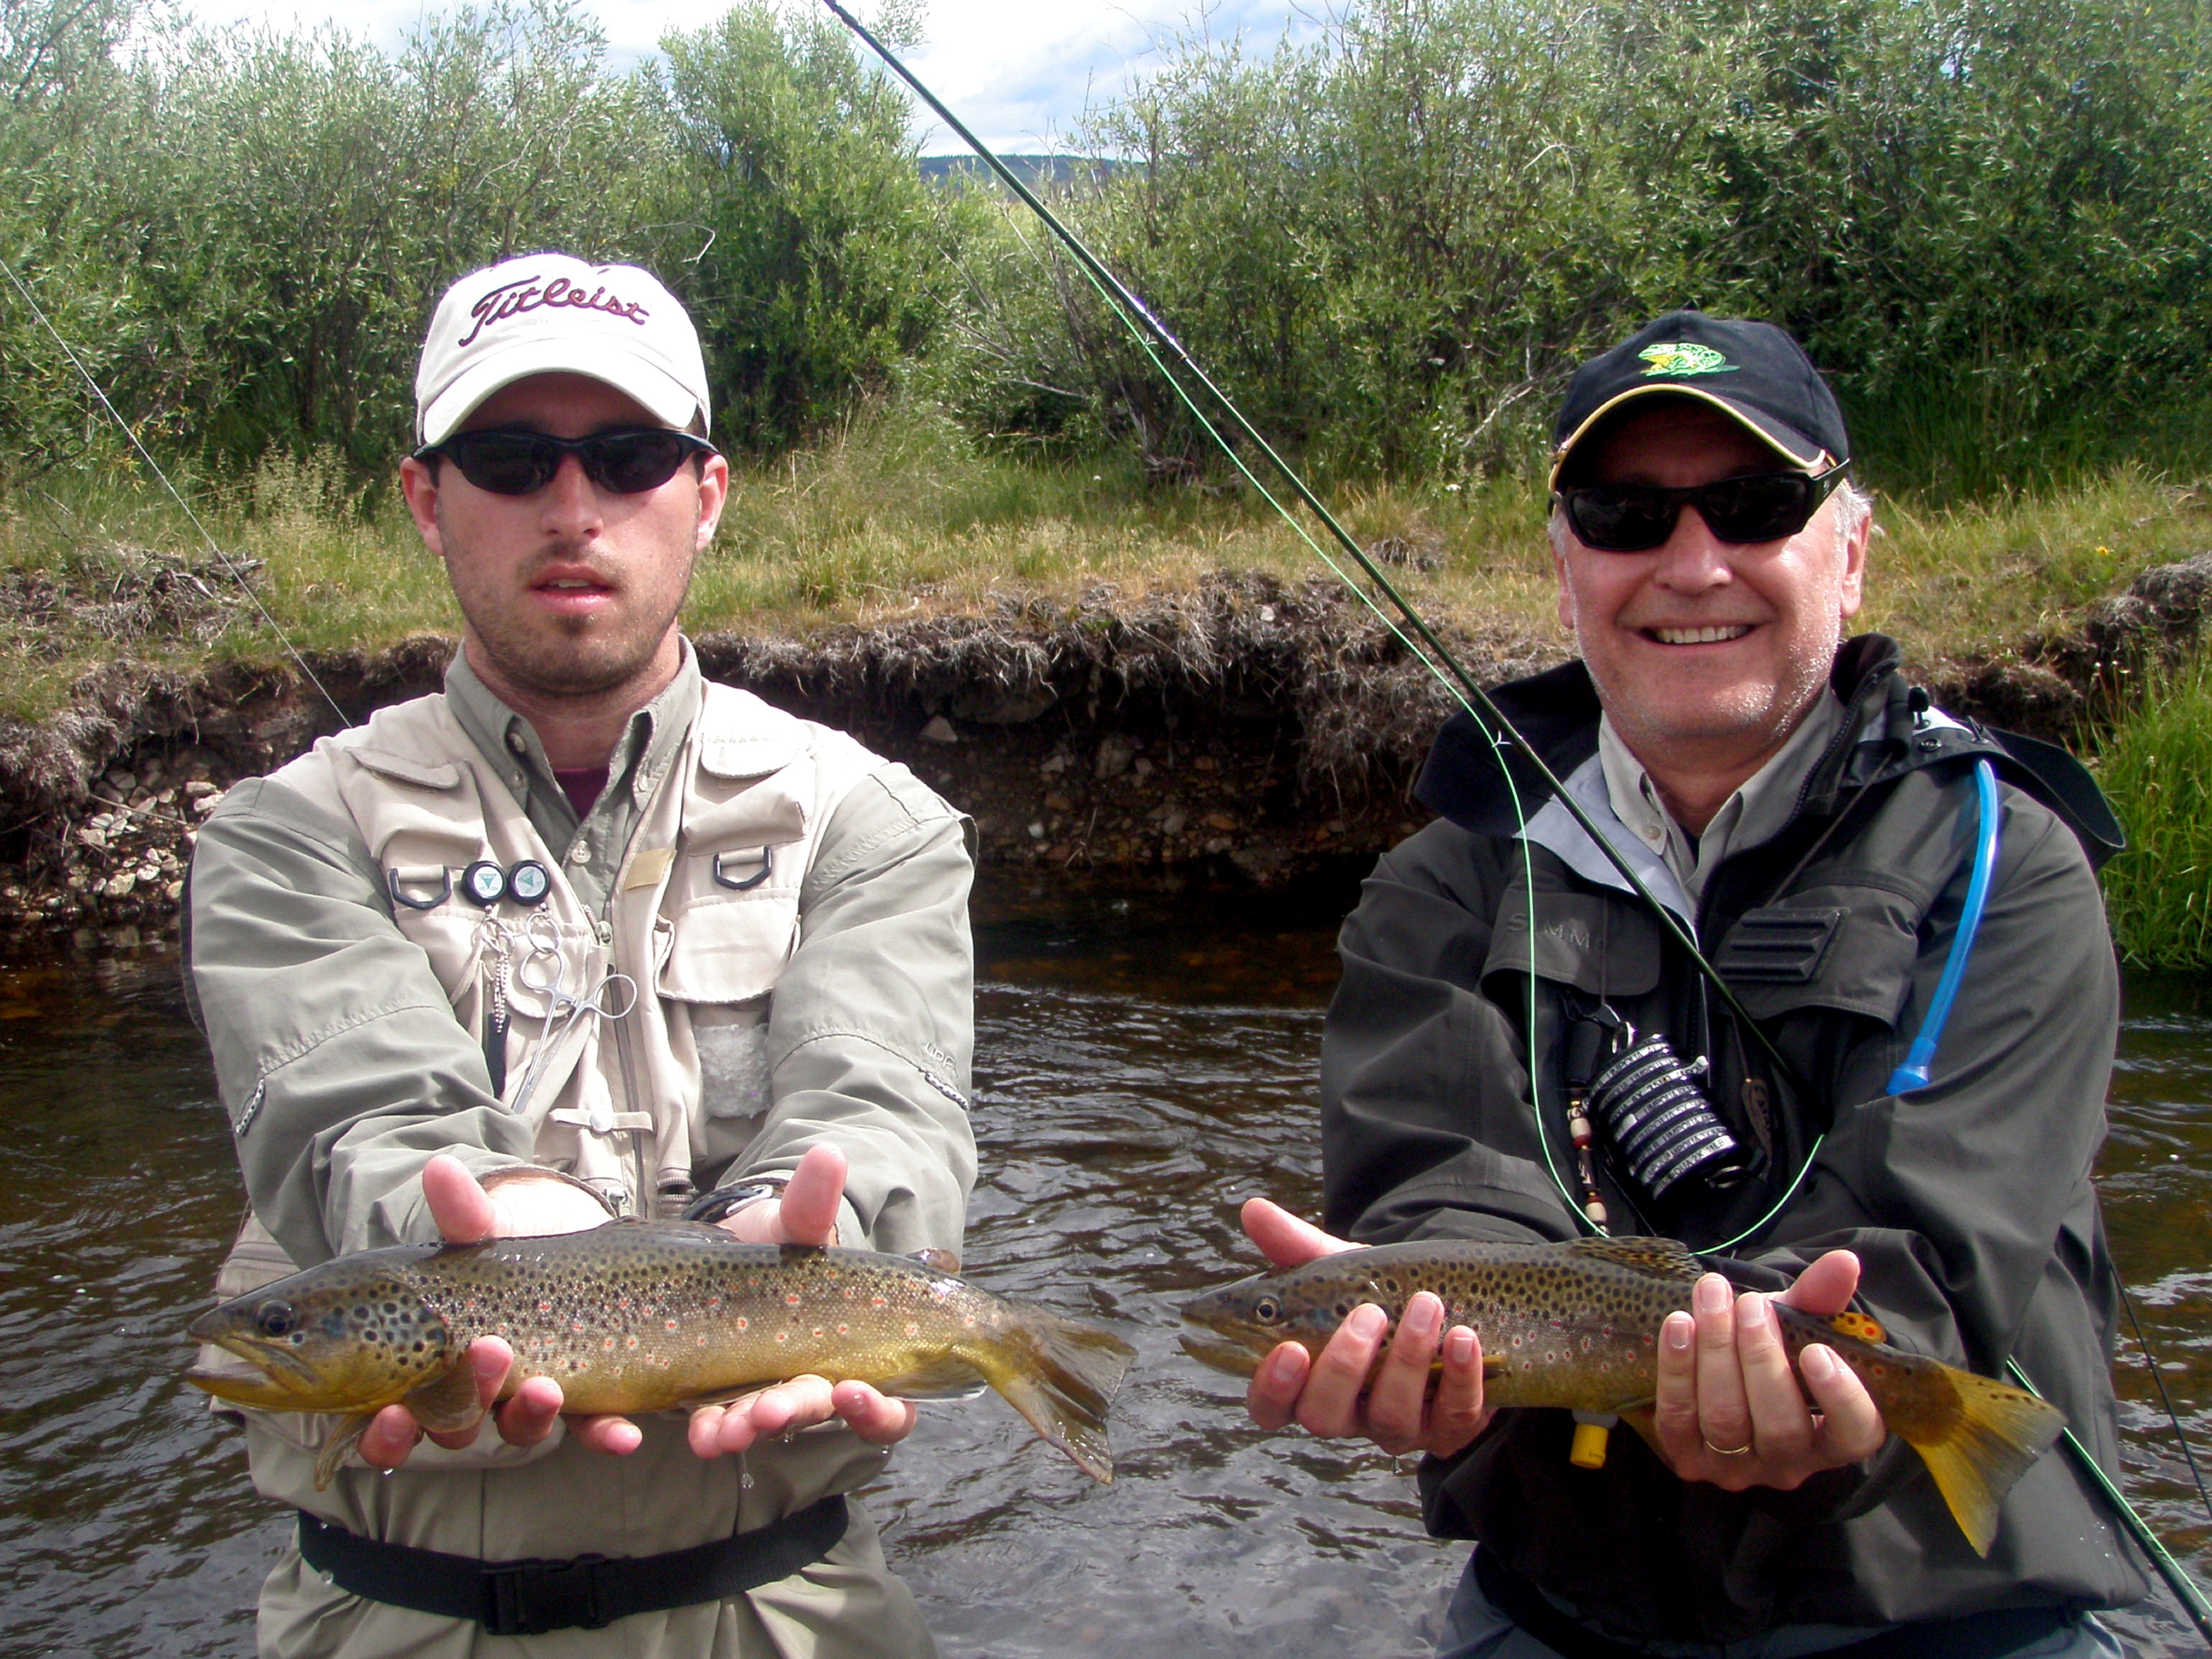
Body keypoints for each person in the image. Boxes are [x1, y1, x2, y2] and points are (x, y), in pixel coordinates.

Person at [1235, 312, 2147, 1656]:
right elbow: (1439, 1180)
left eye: (1755, 505)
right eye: (1626, 516)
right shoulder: (1447, 879)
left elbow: (1940, 1242)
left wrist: (1806, 1365)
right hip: (1559, 1611)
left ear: (1848, 550)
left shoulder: (1999, 859)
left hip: (1945, 1617)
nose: (1692, 562)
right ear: (1564, 571)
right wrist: (1424, 1326)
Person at [185, 252, 977, 1658]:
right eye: (508, 460)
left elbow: (881, 1104)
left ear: (705, 493)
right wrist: (503, 1231)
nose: (571, 508)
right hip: (392, 1621)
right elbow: (357, 1115)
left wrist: (813, 1241)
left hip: (793, 1613)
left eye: (627, 456)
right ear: (426, 499)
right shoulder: (283, 834)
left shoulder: (872, 820)